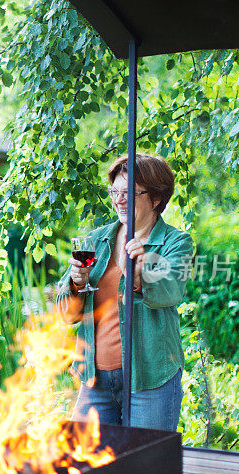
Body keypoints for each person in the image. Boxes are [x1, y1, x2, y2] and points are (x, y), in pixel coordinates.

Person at [57, 153, 193, 432]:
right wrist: (76, 285)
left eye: (129, 193)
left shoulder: (174, 242)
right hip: (94, 381)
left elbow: (172, 291)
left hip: (149, 381)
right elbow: (65, 313)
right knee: (86, 469)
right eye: (115, 192)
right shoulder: (96, 240)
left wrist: (141, 277)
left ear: (156, 198)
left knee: (144, 467)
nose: (118, 200)